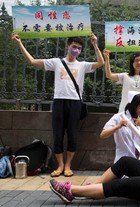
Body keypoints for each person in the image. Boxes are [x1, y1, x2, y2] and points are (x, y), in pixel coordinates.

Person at [11, 32, 104, 177]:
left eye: (79, 48)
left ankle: (68, 165)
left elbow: (101, 63)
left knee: (73, 135)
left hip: (75, 103)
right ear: (67, 46)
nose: (76, 50)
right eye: (74, 46)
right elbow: (32, 62)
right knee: (58, 135)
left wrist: (95, 44)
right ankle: (60, 165)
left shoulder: (82, 65)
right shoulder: (56, 62)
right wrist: (19, 43)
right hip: (59, 101)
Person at [100, 91, 140, 164]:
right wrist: (117, 127)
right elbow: (103, 135)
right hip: (124, 159)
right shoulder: (118, 117)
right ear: (133, 106)